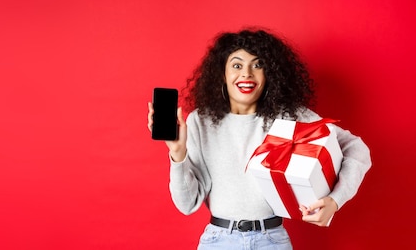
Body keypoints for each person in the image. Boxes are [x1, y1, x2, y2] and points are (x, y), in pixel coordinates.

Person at [147, 28, 372, 249]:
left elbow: (356, 148)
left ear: (269, 75)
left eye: (258, 65)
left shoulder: (289, 117)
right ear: (222, 75)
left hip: (272, 240)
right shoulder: (200, 121)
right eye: (237, 65)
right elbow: (187, 205)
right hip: (219, 240)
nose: (247, 73)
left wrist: (335, 200)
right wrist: (177, 154)